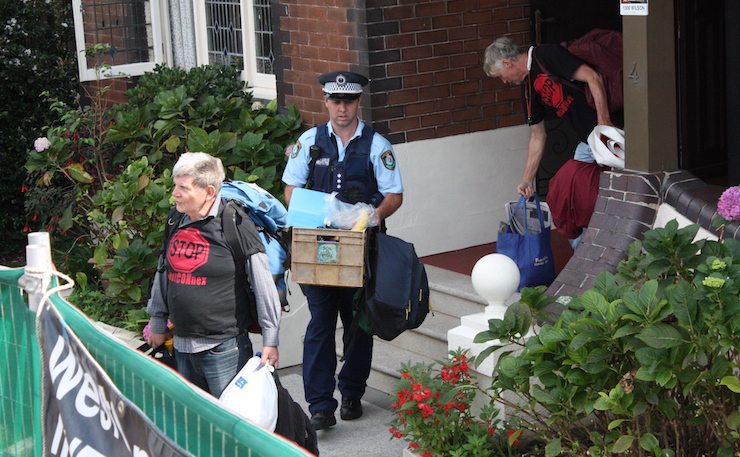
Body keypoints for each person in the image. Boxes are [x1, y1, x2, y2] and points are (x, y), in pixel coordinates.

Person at [282, 71, 404, 430]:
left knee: (357, 323)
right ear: (326, 102)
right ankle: (320, 405)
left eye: (348, 101)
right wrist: (318, 213)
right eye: (335, 101)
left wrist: (372, 215)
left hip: (360, 248)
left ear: (358, 102)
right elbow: (290, 187)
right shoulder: (310, 140)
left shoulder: (378, 145)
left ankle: (351, 392)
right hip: (318, 248)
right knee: (320, 323)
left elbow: (394, 194)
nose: (342, 108)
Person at [146, 152, 281, 398]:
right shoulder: (175, 219)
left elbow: (263, 285)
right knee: (196, 424)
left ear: (209, 192)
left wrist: (271, 340)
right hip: (182, 344)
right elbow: (164, 271)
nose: (174, 194)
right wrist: (157, 321)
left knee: (230, 423)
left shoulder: (235, 223)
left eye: (183, 188)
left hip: (225, 348)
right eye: (175, 186)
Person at [483, 36, 623, 248]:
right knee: (571, 200)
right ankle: (584, 258)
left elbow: (593, 77)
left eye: (501, 76)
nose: (504, 82)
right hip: (588, 143)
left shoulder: (546, 55)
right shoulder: (529, 89)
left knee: (626, 191)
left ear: (507, 63)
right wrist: (527, 180)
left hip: (613, 134)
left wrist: (603, 122)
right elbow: (538, 136)